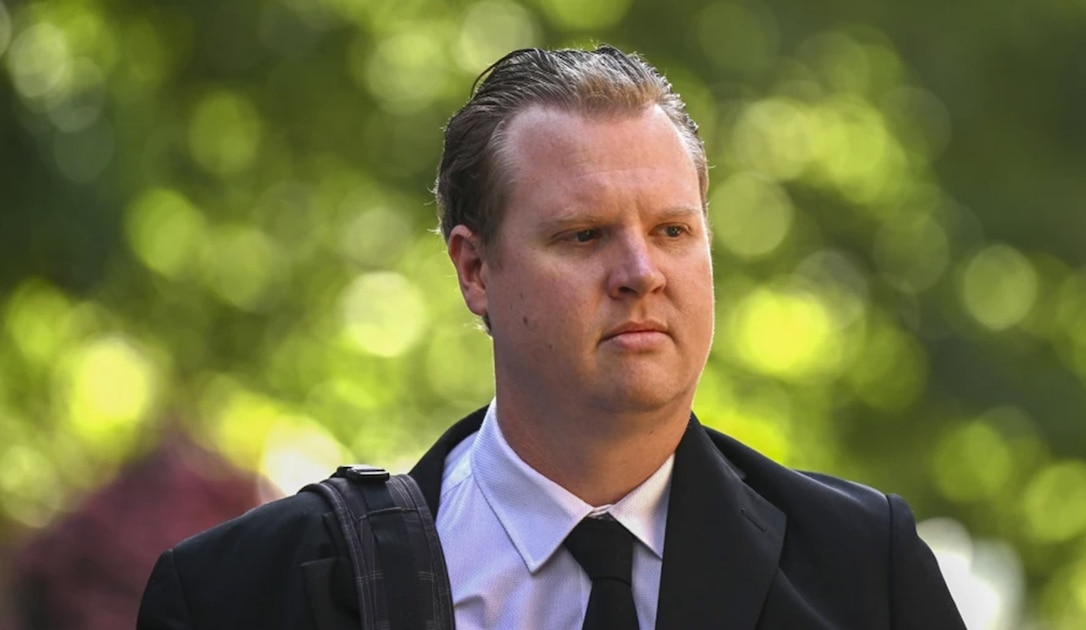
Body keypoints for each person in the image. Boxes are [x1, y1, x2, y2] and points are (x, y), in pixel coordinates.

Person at [138, 45, 967, 630]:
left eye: (673, 231)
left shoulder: (865, 570)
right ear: (475, 271)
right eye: (583, 235)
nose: (641, 272)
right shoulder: (243, 594)